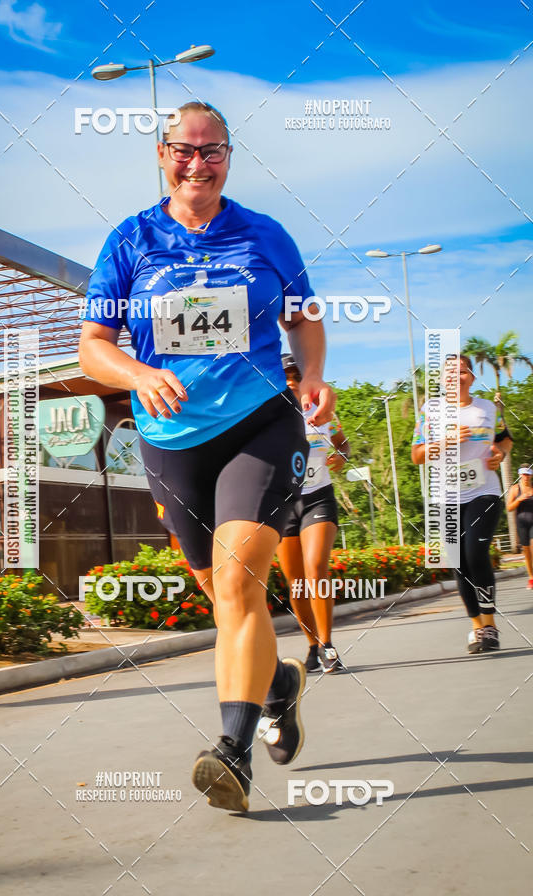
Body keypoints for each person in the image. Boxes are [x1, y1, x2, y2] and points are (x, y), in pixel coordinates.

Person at [78, 101, 335, 813]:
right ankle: (279, 683)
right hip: (171, 440)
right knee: (219, 594)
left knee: (238, 582)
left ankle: (232, 752)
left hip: (260, 424)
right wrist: (137, 374)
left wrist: (311, 375)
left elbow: (303, 316)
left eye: (211, 150)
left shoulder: (263, 235)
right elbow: (94, 344)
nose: (198, 163)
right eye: (184, 151)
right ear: (161, 155)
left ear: (229, 155)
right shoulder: (131, 241)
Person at [411, 354, 512, 653]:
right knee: (458, 562)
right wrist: (445, 442)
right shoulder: (430, 410)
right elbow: (416, 455)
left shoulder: (487, 408)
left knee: (475, 552)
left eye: (463, 371)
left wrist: (500, 455)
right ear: (443, 381)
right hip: (446, 496)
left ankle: (490, 625)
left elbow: (505, 440)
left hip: (484, 491)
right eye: (450, 373)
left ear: (471, 377)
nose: (457, 376)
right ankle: (477, 627)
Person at [274, 354, 350, 673]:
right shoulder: (268, 418)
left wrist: (341, 456)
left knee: (316, 567)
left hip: (318, 497)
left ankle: (328, 645)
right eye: (285, 374)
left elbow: (343, 444)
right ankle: (311, 645)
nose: (291, 379)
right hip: (282, 503)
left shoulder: (321, 412)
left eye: (296, 374)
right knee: (296, 583)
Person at [507, 466, 533, 589]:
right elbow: (509, 508)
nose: (525, 477)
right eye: (523, 474)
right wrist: (519, 499)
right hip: (522, 523)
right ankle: (531, 577)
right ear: (519, 475)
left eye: (528, 474)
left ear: (531, 475)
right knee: (527, 552)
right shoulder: (515, 489)